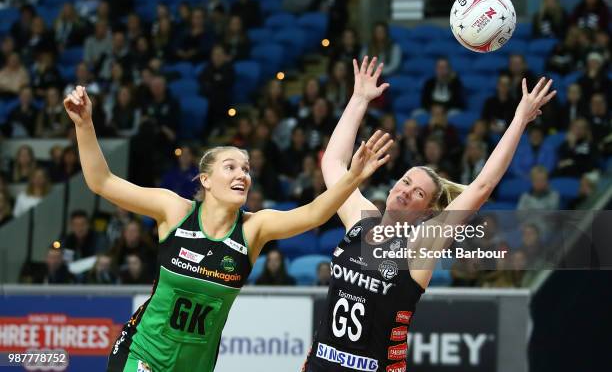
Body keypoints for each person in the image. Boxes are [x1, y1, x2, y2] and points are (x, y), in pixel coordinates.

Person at [63, 84, 392, 372]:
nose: (242, 175)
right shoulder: (174, 211)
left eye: (246, 169)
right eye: (231, 167)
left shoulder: (253, 229)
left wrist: (353, 178)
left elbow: (315, 214)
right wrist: (84, 124)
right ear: (206, 180)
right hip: (142, 352)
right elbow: (101, 181)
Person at [302, 56, 556, 371]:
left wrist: (519, 119)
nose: (406, 190)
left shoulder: (421, 242)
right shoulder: (361, 218)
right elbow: (332, 164)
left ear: (427, 212)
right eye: (406, 181)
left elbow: (482, 186)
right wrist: (359, 99)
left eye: (418, 192)